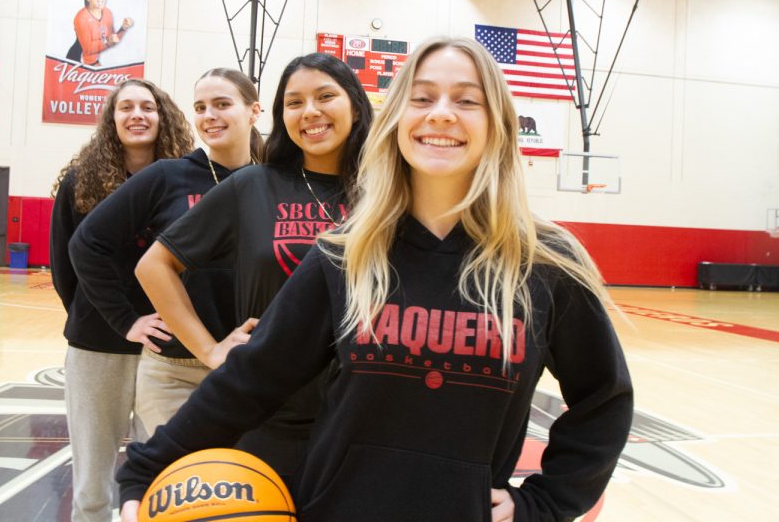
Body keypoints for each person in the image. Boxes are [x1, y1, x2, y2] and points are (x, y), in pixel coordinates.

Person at [117, 37, 634, 522]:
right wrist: (144, 467)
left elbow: (603, 397)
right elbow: (252, 379)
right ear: (395, 122)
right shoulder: (345, 254)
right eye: (422, 97)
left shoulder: (545, 264)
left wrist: (543, 503)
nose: (441, 113)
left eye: (467, 100)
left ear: (498, 123)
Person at [132, 52, 372, 481]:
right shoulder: (253, 185)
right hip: (267, 417)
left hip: (363, 416)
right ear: (281, 115)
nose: (310, 111)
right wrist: (208, 349)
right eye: (294, 102)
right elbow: (154, 265)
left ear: (354, 103)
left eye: (325, 96)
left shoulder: (388, 193)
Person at [68, 68, 265, 440]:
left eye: (222, 104)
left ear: (254, 112)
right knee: (179, 488)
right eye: (201, 107)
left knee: (243, 489)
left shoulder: (273, 180)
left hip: (250, 365)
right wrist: (125, 320)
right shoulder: (167, 176)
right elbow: (85, 244)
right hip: (175, 369)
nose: (209, 116)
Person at [50, 78, 195, 522]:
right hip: (98, 348)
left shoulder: (184, 181)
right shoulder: (80, 183)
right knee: (92, 480)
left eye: (148, 107)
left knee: (166, 472)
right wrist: (116, 319)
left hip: (170, 349)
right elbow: (65, 270)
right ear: (111, 120)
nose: (137, 115)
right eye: (126, 107)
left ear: (162, 116)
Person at [66, 0, 134, 66]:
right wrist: (108, 43)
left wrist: (123, 28)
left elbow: (112, 38)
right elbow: (88, 49)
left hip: (93, 59)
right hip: (77, 61)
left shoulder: (107, 12)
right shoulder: (81, 17)